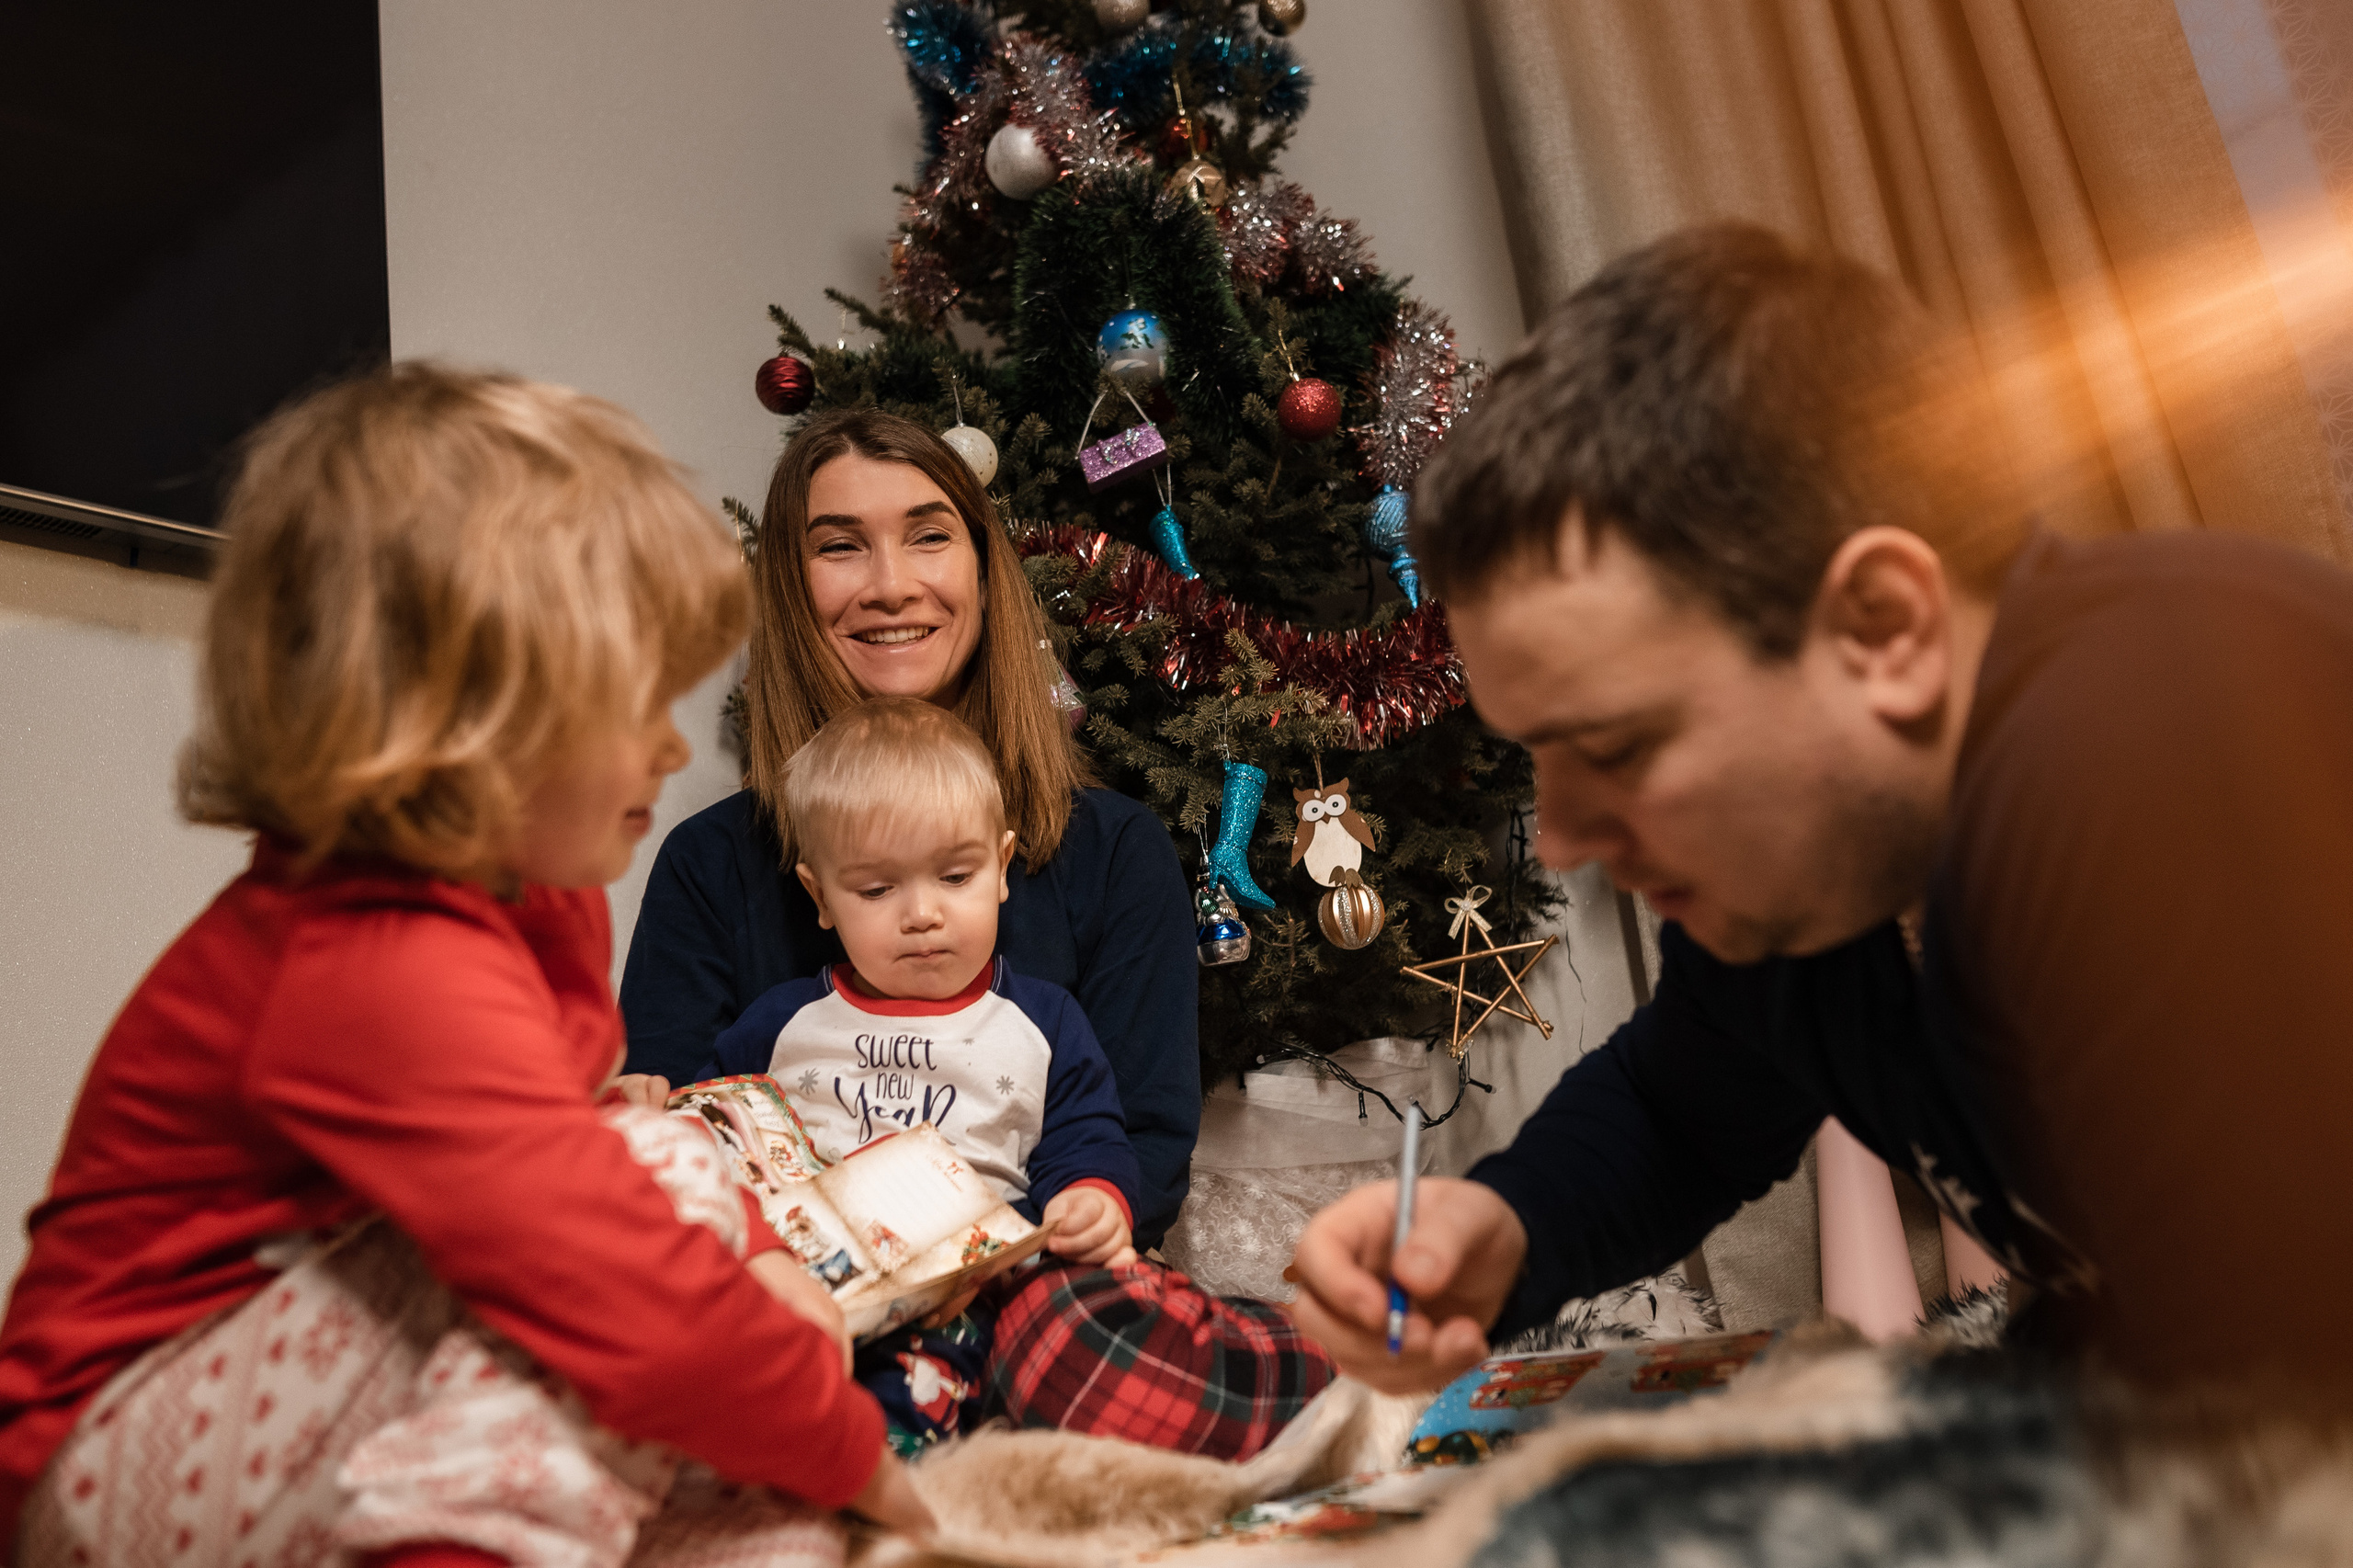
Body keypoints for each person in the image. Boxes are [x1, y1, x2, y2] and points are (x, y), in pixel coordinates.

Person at [1289, 222, 2353, 1404]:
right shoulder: (1826, 873)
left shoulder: (2165, 737)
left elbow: (2269, 1392)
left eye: (1618, 746)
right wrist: (1501, 1226)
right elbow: (1679, 1107)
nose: (1563, 837)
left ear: (1884, 628)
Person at [0, 365, 934, 1565]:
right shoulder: (368, 957)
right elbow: (615, 1279)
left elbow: (573, 1135)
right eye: (636, 702)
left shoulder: (539, 897)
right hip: (98, 1463)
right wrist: (854, 1448)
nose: (668, 741)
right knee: (651, 1180)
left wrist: (764, 1261)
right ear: (471, 722)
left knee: (765, 1510)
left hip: (277, 1437)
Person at [620, 409, 1199, 1251]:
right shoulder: (711, 863)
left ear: (982, 568)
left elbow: (1140, 1153)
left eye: (929, 536)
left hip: (1031, 1285)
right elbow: (678, 1139)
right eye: (839, 545)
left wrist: (958, 1265)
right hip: (793, 1294)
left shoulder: (1115, 852)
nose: (890, 585)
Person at [692, 697, 1140, 1452]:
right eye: (875, 891)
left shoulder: (1040, 1022)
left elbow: (1086, 1137)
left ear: (1001, 870)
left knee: (939, 1379)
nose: (922, 913)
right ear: (820, 898)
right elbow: (710, 1124)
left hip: (967, 1288)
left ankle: (874, 1473)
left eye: (956, 876)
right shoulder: (781, 1024)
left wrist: (1091, 1196)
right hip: (803, 1279)